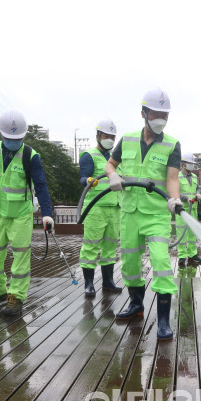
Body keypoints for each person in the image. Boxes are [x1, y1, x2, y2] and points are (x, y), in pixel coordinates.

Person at [105, 88, 182, 340]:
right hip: (129, 212)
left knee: (161, 262)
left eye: (165, 115)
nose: (161, 119)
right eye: (156, 113)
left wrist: (174, 198)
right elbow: (110, 164)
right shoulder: (126, 140)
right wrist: (113, 175)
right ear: (144, 113)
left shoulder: (172, 144)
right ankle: (136, 305)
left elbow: (172, 178)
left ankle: (162, 320)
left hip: (156, 214)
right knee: (129, 262)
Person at [0, 109, 54, 316]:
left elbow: (40, 186)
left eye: (17, 138)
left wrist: (47, 213)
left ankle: (16, 296)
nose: (13, 141)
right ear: (1, 134)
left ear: (24, 135)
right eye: (9, 138)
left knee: (20, 256)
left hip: (20, 214)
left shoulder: (31, 156)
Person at [78, 119, 122, 297]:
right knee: (91, 245)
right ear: (97, 136)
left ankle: (108, 282)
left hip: (115, 207)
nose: (110, 139)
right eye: (106, 136)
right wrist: (89, 181)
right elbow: (83, 178)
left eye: (113, 136)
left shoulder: (116, 159)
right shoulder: (89, 155)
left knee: (110, 246)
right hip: (96, 208)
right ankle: (88, 283)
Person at [176, 152, 201, 268]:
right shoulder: (177, 176)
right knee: (181, 233)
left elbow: (197, 189)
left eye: (193, 164)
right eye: (190, 163)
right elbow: (176, 191)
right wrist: (186, 198)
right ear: (183, 164)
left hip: (193, 210)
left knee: (192, 234)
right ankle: (182, 256)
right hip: (182, 210)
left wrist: (198, 195)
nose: (192, 166)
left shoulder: (195, 177)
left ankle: (192, 255)